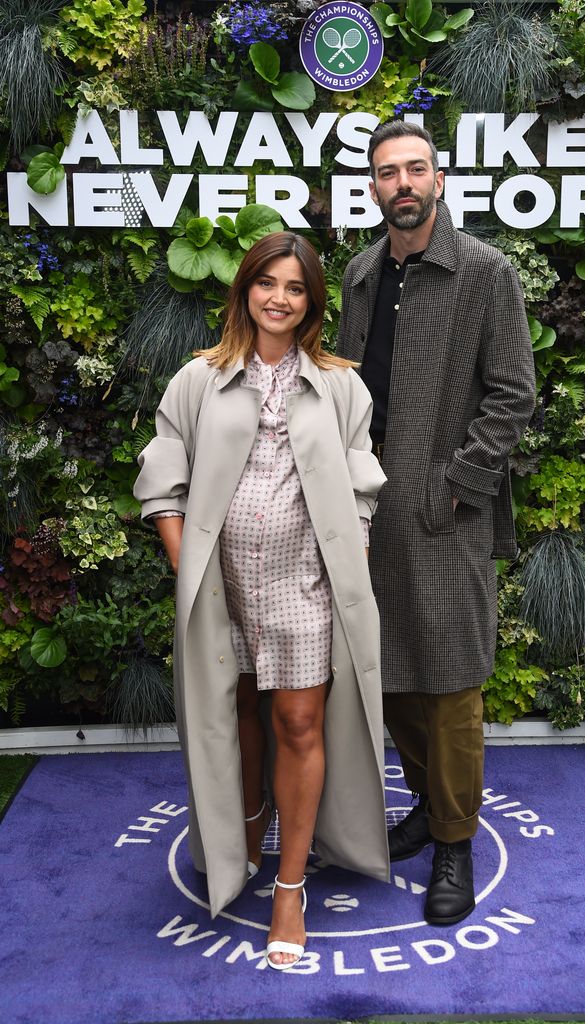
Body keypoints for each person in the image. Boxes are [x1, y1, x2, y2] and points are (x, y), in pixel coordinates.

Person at [134, 232, 390, 970]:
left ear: (312, 302)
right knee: (235, 709)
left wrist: (353, 561)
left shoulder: (341, 384)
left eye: (296, 287)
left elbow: (361, 486)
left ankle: (287, 886)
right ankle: (246, 830)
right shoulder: (198, 379)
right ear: (245, 288)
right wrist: (190, 573)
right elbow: (163, 480)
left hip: (307, 583)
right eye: (267, 282)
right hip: (221, 585)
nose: (279, 298)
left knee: (300, 719)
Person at [337, 121, 536, 926]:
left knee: (450, 679)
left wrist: (458, 485)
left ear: (439, 178)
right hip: (363, 506)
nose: (402, 183)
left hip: (445, 510)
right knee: (385, 674)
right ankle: (426, 804)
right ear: (374, 187)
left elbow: (512, 394)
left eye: (415, 168)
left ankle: (453, 841)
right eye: (388, 172)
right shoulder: (357, 273)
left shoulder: (485, 272)